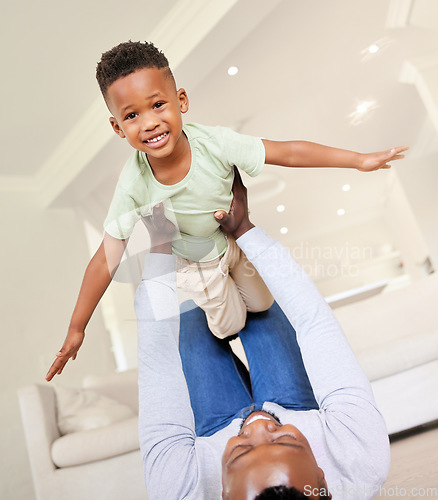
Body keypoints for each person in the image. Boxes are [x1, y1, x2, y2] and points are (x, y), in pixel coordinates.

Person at [46, 40, 407, 381]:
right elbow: (105, 260)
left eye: (158, 105)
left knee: (263, 303)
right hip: (198, 267)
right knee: (230, 325)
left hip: (229, 240)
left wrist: (358, 160)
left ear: (181, 100)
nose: (150, 122)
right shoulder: (133, 183)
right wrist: (77, 327)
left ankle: (234, 293)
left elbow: (288, 152)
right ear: (118, 127)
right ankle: (210, 319)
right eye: (132, 115)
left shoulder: (215, 143)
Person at [135, 169, 390, 499]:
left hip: (213, 434)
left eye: (242, 451)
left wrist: (160, 246)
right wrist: (244, 229)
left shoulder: (178, 489)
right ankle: (224, 261)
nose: (256, 425)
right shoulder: (360, 460)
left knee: (187, 321)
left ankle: (212, 273)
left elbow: (158, 362)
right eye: (283, 439)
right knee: (264, 309)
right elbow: (314, 323)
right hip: (295, 409)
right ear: (323, 480)